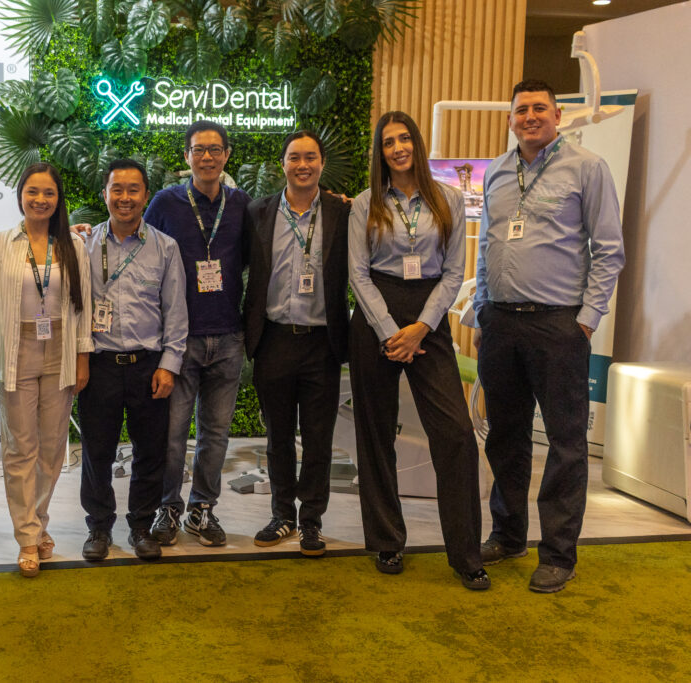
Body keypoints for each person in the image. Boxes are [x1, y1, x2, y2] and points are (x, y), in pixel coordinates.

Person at [473, 79, 625, 593]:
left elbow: (609, 249)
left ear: (558, 116)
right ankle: (507, 534)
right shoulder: (496, 170)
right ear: (510, 118)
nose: (530, 116)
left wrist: (586, 319)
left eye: (540, 108)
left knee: (565, 442)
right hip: (500, 323)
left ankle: (559, 554)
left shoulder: (587, 167)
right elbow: (486, 244)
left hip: (559, 325)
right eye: (522, 110)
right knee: (505, 436)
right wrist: (481, 309)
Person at [348, 111, 489, 590]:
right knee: (376, 434)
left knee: (456, 434)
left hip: (428, 316)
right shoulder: (366, 202)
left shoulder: (448, 199)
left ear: (417, 143)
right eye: (388, 142)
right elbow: (357, 273)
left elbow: (453, 272)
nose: (398, 148)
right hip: (376, 316)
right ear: (380, 152)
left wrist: (421, 329)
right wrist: (391, 331)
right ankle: (387, 542)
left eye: (404, 138)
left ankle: (466, 555)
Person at [0, 163, 92, 578]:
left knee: (52, 447)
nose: (40, 199)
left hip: (60, 350)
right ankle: (27, 537)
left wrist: (83, 357)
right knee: (19, 448)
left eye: (49, 193)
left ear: (58, 199)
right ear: (20, 195)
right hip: (16, 351)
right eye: (32, 192)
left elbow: (84, 305)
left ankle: (38, 520)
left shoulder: (73, 246)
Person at [144, 121, 252, 548]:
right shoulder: (166, 202)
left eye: (215, 149)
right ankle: (168, 507)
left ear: (227, 155)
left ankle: (202, 509)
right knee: (172, 435)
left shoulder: (242, 205)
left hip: (228, 336)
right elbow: (139, 245)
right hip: (179, 339)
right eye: (199, 149)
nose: (207, 157)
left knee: (216, 434)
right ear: (186, 156)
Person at [244, 130, 350, 557]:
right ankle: (282, 514)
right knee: (278, 437)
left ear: (322, 163)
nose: (302, 165)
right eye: (294, 157)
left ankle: (311, 521)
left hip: (322, 342)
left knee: (319, 438)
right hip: (274, 339)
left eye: (310, 157)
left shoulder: (343, 212)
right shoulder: (259, 212)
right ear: (283, 164)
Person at [77, 159, 188, 562]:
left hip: (148, 365)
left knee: (150, 452)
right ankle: (99, 526)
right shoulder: (84, 245)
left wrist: (169, 365)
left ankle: (142, 525)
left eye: (133, 189)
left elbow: (176, 311)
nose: (125, 198)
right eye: (117, 189)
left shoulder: (165, 247)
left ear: (146, 194)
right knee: (97, 451)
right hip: (99, 364)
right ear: (105, 194)